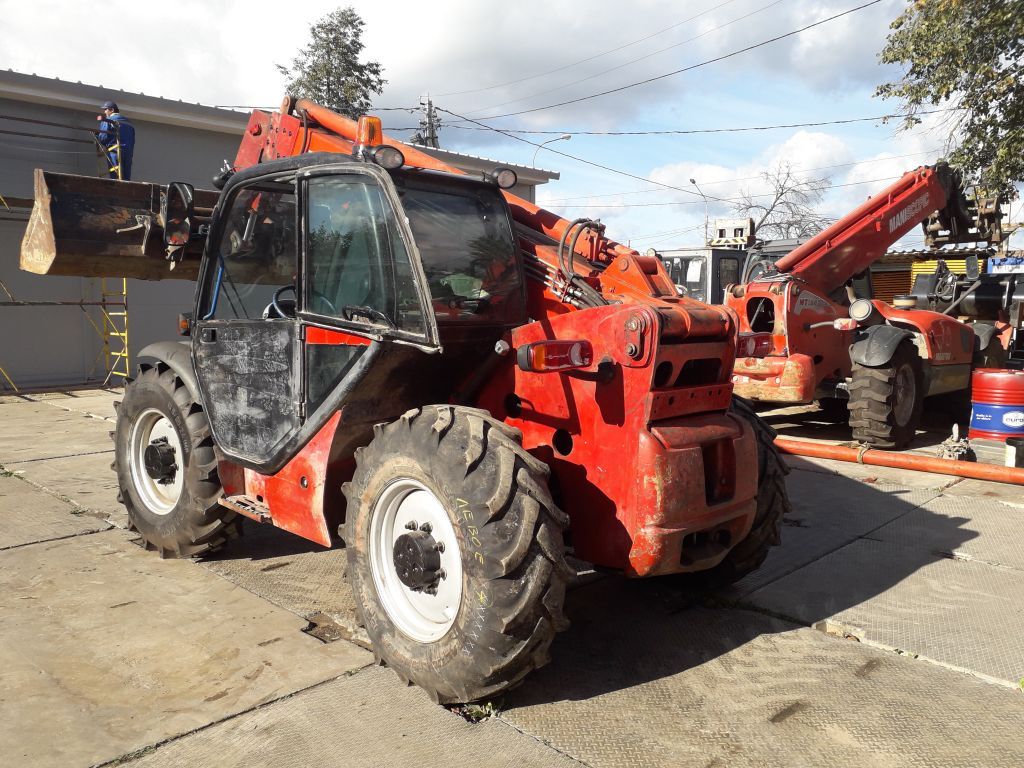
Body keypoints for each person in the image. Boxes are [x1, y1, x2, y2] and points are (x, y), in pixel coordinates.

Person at [96, 100, 135, 180]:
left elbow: (103, 137)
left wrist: (97, 136)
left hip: (115, 151)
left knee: (116, 177)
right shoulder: (129, 123)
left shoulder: (109, 120)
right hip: (128, 153)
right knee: (126, 178)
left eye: (106, 109)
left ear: (112, 110)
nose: (104, 112)